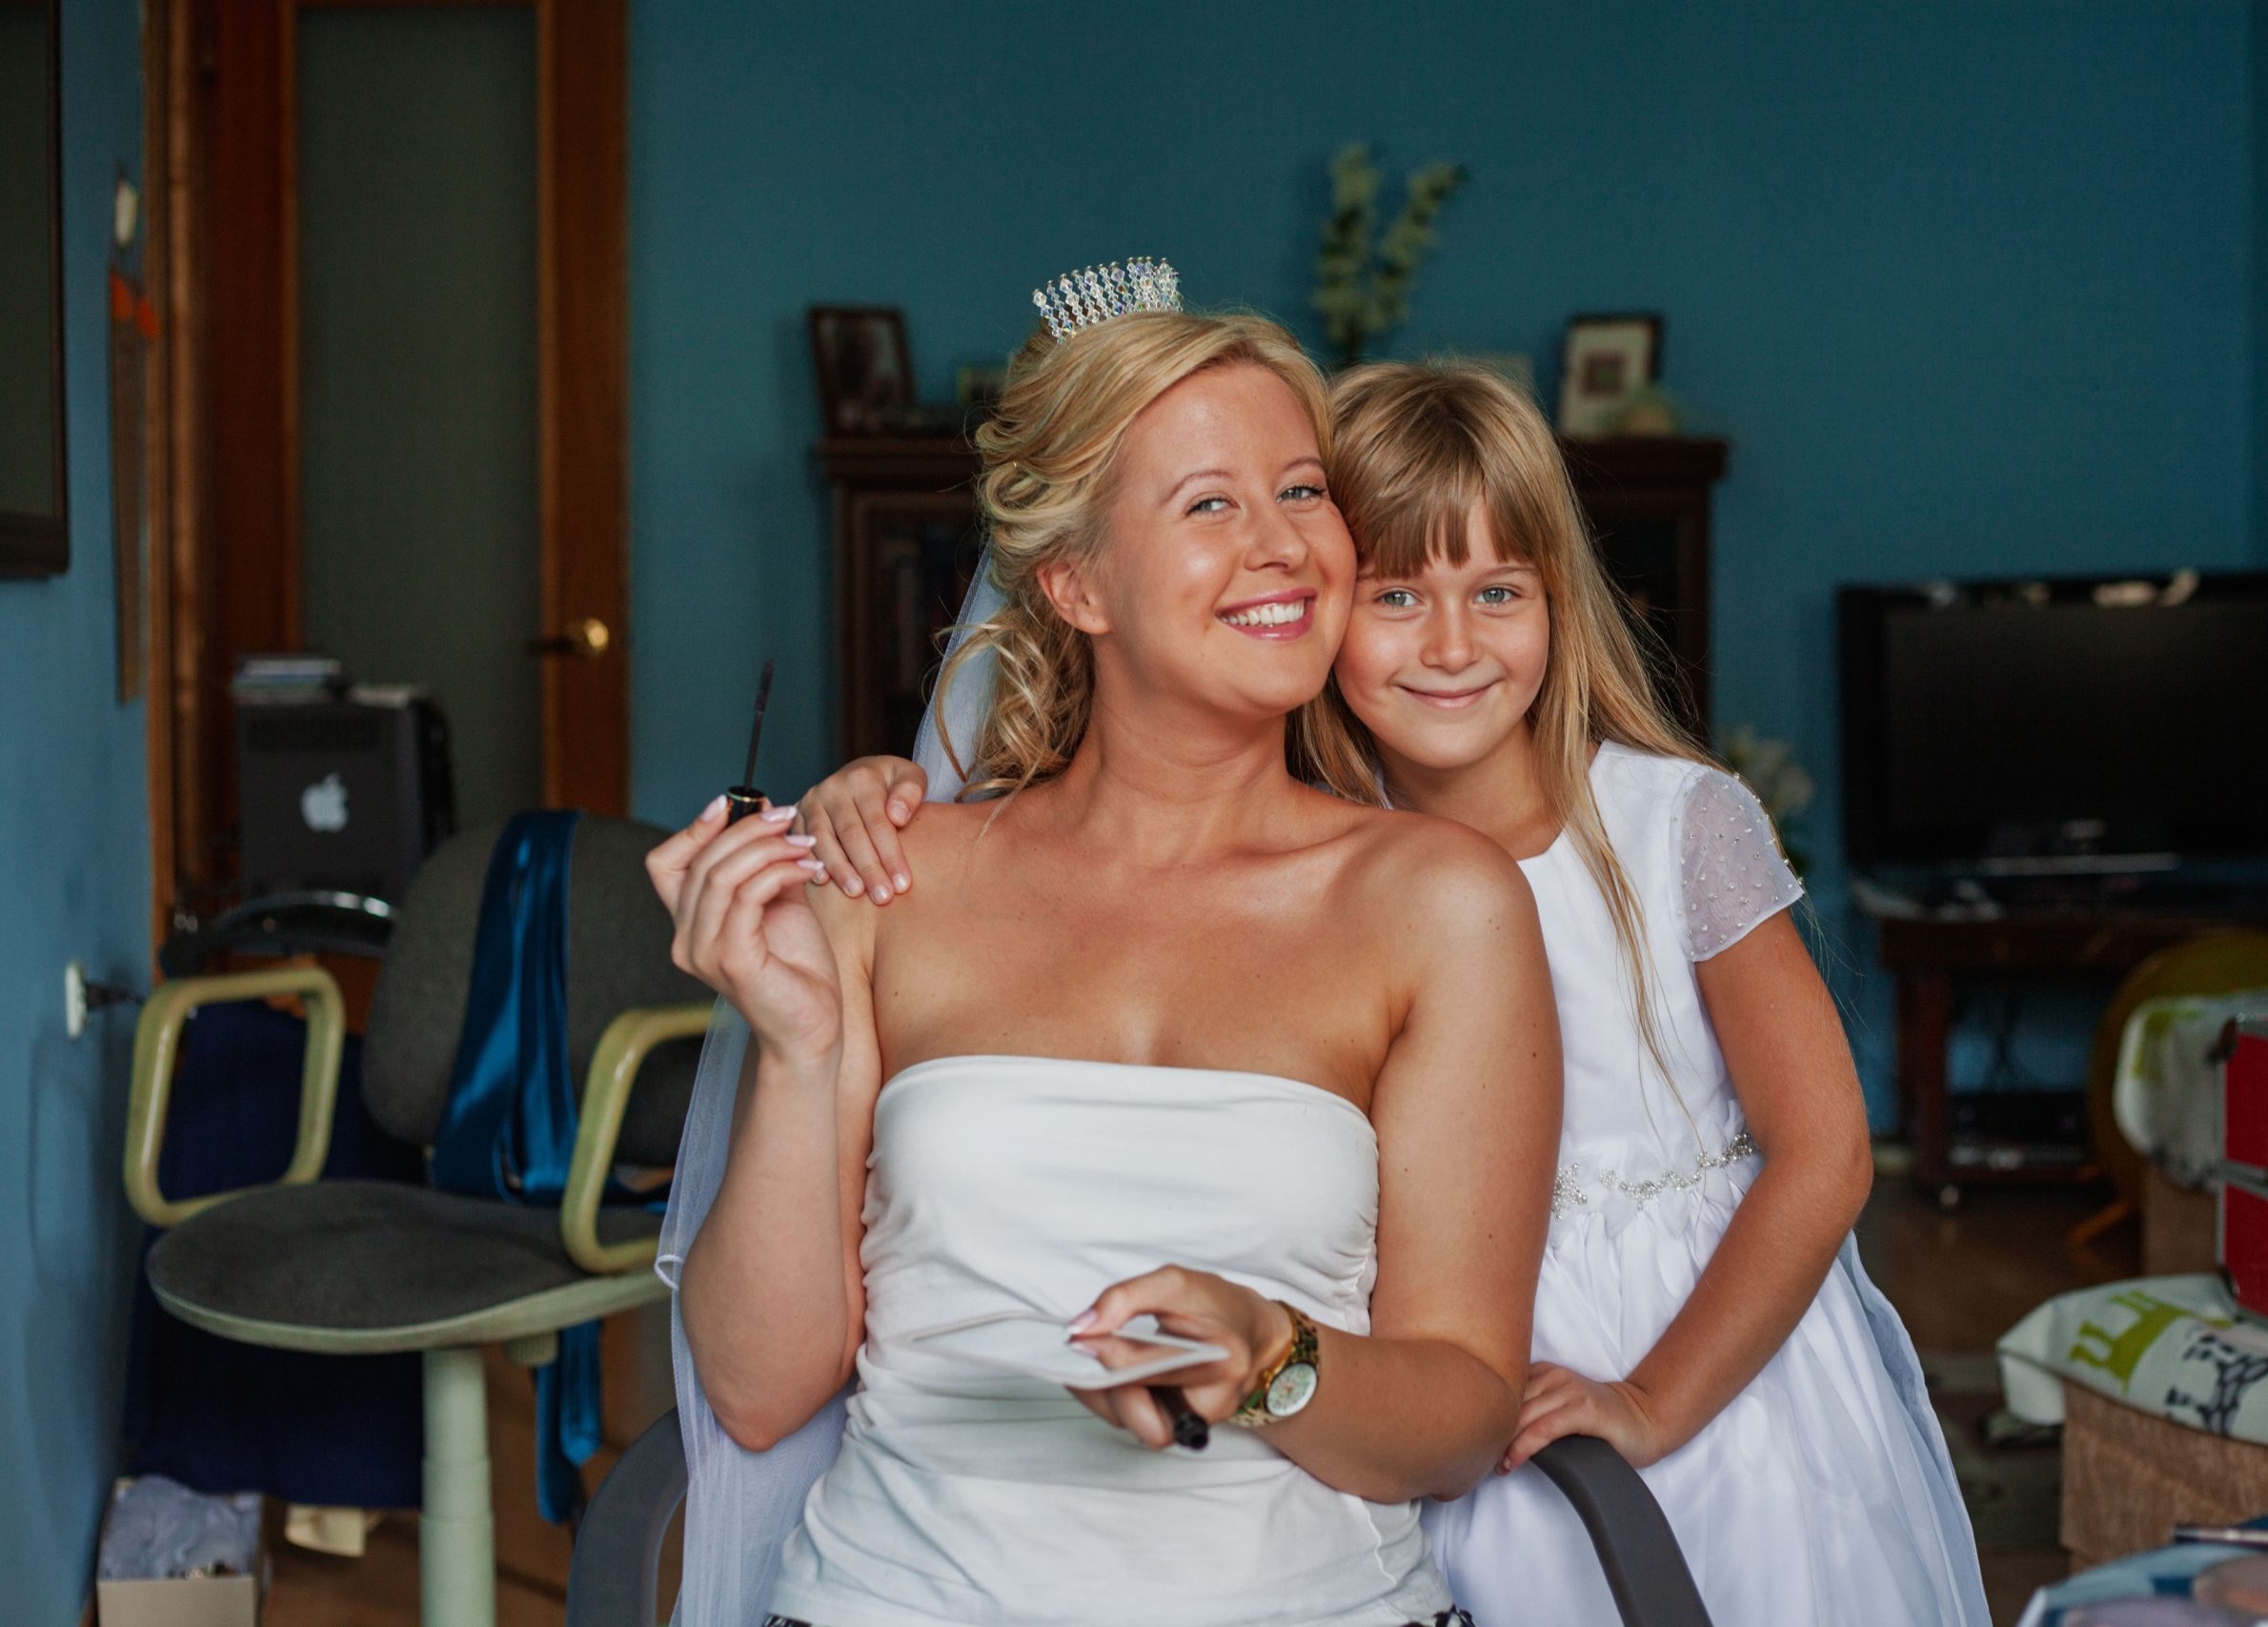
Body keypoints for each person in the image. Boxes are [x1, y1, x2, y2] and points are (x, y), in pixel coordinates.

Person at [797, 361, 1992, 1625]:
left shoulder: (1669, 823)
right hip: (1431, 1384)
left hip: (1696, 1367)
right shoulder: (1325, 863)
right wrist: (876, 795)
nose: (1452, 646)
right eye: (1396, 596)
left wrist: (1653, 1399)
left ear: (1561, 599)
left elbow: (1826, 1153)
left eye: (1499, 593)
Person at [648, 281, 1563, 1627]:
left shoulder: (1440, 903)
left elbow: (1464, 1418)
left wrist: (1273, 1357)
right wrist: (797, 1049)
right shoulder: (890, 880)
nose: (1285, 547)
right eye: (1210, 506)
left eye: (1302, 492)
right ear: (1075, 583)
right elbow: (756, 1390)